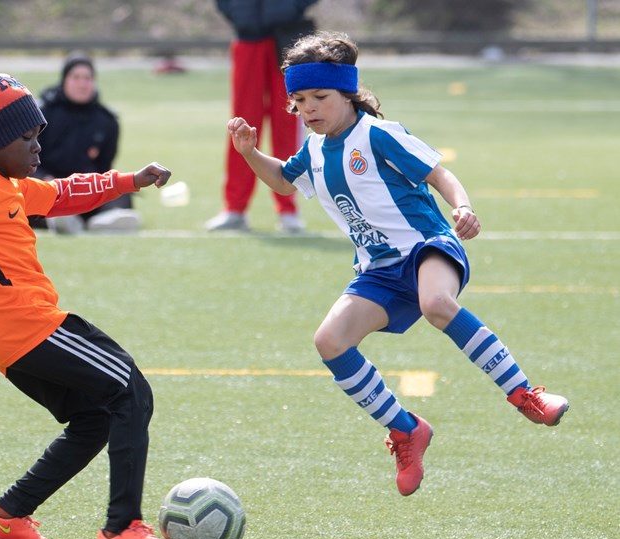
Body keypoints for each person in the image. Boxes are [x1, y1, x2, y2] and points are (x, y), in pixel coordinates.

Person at [228, 31, 569, 496]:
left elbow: (440, 173)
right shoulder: (311, 149)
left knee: (436, 304)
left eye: (319, 98)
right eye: (300, 99)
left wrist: (463, 207)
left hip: (428, 246)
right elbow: (285, 184)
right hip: (379, 271)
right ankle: (406, 429)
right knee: (329, 341)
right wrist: (249, 152)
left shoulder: (378, 135)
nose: (308, 109)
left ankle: (524, 394)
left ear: (347, 93)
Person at [0, 73, 180, 539]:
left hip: (9, 338)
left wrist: (128, 181)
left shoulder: (0, 181)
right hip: (29, 327)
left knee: (95, 417)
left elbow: (60, 195)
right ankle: (121, 531)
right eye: (27, 138)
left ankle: (7, 514)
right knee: (131, 388)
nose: (38, 147)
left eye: (38, 135)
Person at [207, 0, 318, 232]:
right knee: (240, 126)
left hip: (287, 38)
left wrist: (289, 8)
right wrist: (239, 13)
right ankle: (234, 209)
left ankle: (288, 209)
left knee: (287, 121)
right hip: (247, 38)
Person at [34, 54, 142, 234]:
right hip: (49, 185)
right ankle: (57, 221)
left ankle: (105, 219)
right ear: (65, 80)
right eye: (76, 78)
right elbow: (28, 159)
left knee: (121, 190)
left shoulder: (107, 121)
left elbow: (105, 166)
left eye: (87, 78)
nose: (82, 84)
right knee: (27, 194)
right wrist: (46, 179)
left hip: (86, 189)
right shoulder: (42, 115)